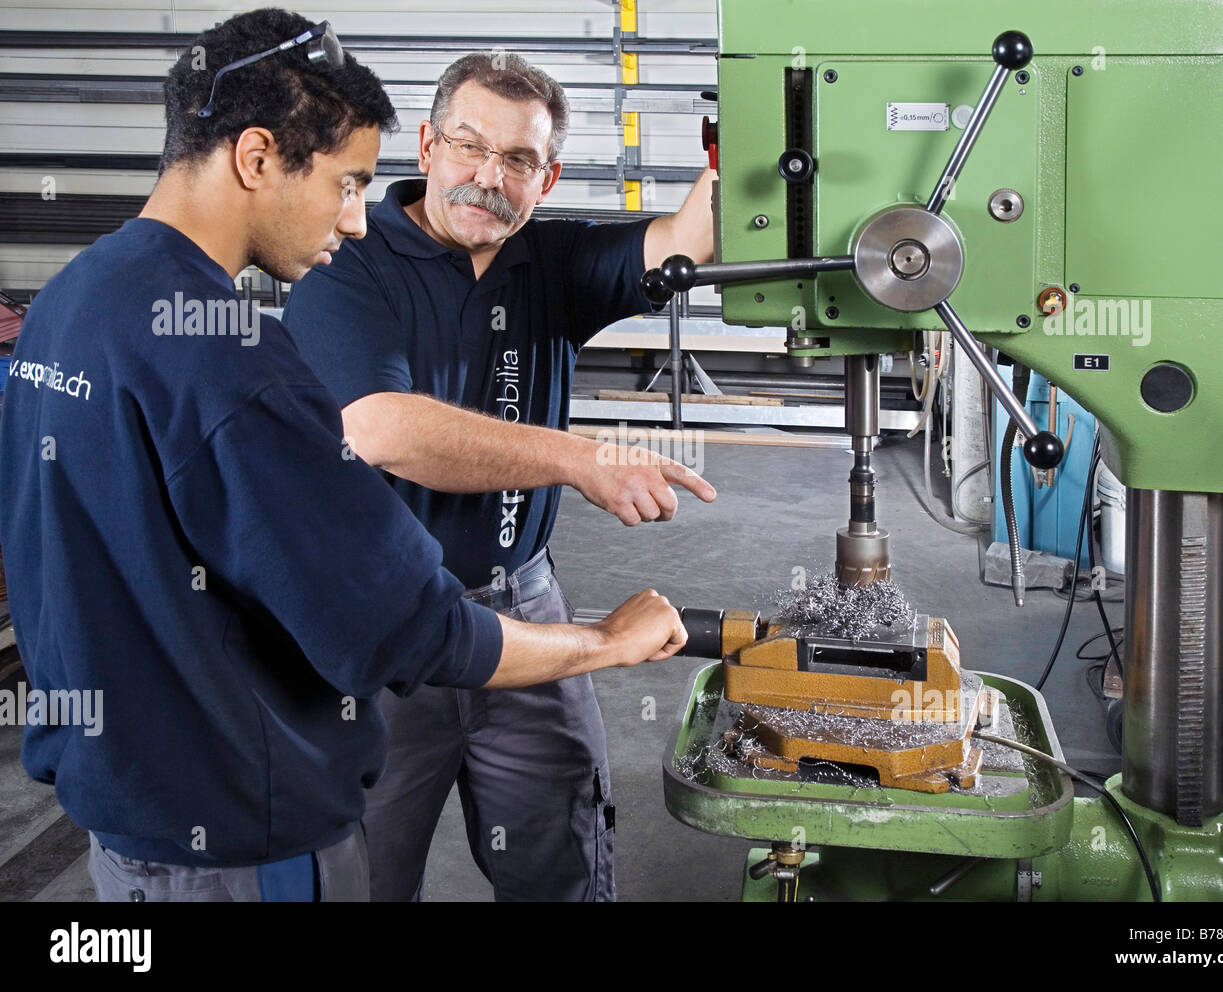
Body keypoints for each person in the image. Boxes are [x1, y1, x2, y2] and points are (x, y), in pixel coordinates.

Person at [0, 9, 686, 903]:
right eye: (348, 182)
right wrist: (604, 642)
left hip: (129, 825)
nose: (358, 220)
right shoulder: (237, 368)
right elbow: (408, 627)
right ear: (255, 158)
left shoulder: (74, 299)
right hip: (245, 841)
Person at [282, 51, 717, 902]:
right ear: (427, 144)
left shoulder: (549, 261)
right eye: (469, 146)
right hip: (383, 630)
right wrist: (582, 457)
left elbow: (683, 243)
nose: (489, 177)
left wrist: (732, 150)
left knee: (563, 855)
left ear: (546, 177)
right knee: (363, 872)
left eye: (517, 160)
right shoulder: (350, 262)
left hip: (525, 605)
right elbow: (380, 428)